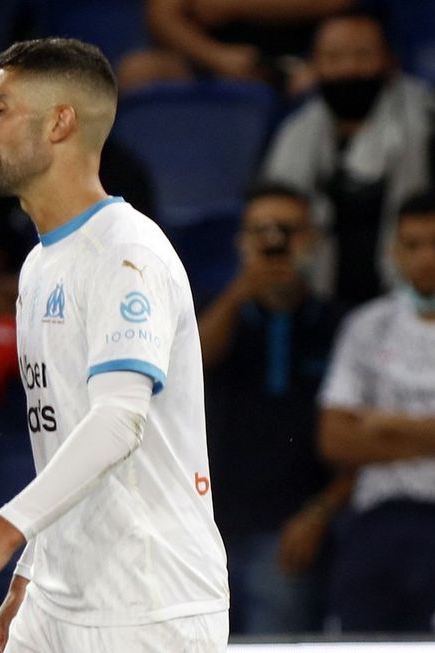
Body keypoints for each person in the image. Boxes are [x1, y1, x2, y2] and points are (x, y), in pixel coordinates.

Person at [0, 38, 229, 652]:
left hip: (148, 605)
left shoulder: (125, 251)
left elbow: (117, 422)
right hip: (62, 595)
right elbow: (66, 437)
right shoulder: (37, 266)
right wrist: (30, 574)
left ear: (61, 122)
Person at [198, 182, 351, 634]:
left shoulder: (339, 323)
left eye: (288, 231)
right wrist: (244, 287)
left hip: (293, 527)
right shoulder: (214, 312)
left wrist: (319, 513)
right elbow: (192, 362)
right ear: (241, 242)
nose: (275, 243)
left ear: (314, 240)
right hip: (209, 527)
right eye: (259, 231)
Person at [317, 191, 435, 634]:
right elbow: (336, 438)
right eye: (413, 244)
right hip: (382, 516)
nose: (426, 257)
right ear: (394, 251)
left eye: (434, 243)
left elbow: (361, 430)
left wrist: (388, 425)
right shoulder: (367, 326)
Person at [262, 10, 435, 307]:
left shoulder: (425, 126)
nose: (349, 69)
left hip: (412, 301)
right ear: (314, 65)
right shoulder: (295, 132)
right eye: (334, 57)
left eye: (363, 55)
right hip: (317, 305)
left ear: (390, 60)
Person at [120, 0, 355, 95]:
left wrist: (236, 5)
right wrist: (217, 57)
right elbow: (161, 15)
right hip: (210, 57)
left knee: (315, 83)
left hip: (295, 61)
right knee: (137, 71)